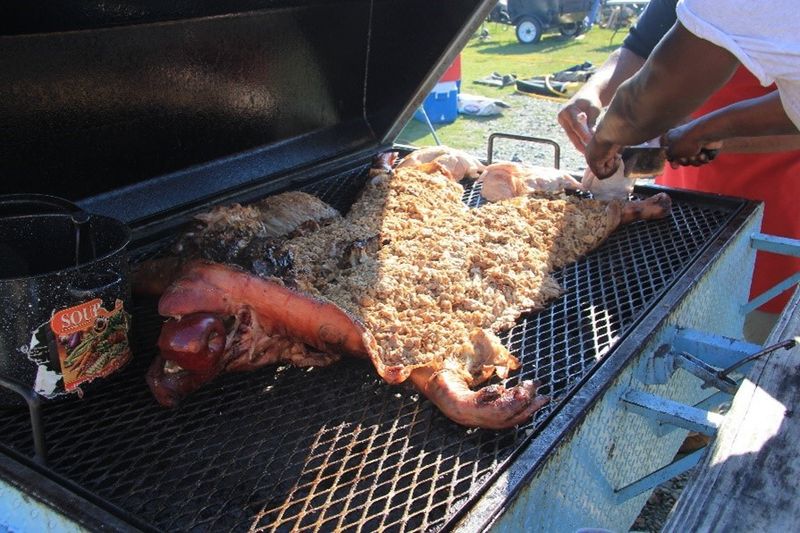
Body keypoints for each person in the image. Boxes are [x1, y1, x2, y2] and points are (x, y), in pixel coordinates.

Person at [558, 0, 800, 342]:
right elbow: (639, 48)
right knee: (671, 318)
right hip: (684, 196)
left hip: (775, 210)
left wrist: (706, 132)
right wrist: (592, 92)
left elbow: (645, 95)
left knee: (754, 343)